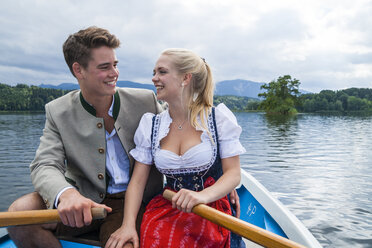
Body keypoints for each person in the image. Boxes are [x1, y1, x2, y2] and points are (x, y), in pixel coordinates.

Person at [7, 26, 163, 248]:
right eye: (104, 67)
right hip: (83, 199)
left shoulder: (146, 101)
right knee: (20, 215)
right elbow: (44, 164)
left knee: (123, 245)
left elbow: (184, 131)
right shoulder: (57, 111)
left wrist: (216, 183)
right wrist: (67, 194)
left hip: (134, 204)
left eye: (115, 65)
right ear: (78, 70)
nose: (114, 73)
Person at [105, 48, 246, 248]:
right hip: (168, 209)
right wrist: (128, 225)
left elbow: (233, 174)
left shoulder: (218, 119)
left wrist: (202, 195)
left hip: (211, 208)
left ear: (185, 78)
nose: (154, 78)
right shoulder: (152, 125)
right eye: (154, 72)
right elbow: (137, 183)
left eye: (162, 72)